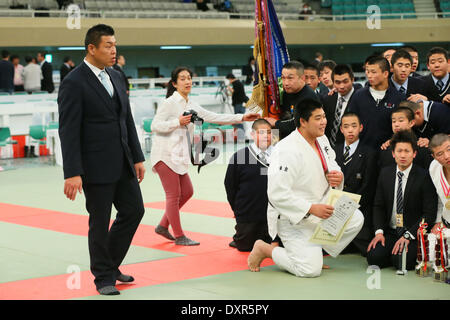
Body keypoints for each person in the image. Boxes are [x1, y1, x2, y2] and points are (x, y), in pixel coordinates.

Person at [58, 24, 146, 296]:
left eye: (115, 45)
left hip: (122, 160)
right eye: (108, 45)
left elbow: (126, 118)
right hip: (94, 166)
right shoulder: (74, 82)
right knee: (100, 221)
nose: (113, 50)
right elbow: (68, 130)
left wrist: (137, 156)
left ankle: (110, 264)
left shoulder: (116, 75)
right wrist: (72, 171)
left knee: (134, 211)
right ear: (91, 48)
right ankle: (103, 278)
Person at [247, 98, 364, 277]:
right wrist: (310, 208)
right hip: (294, 218)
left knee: (356, 217)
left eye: (324, 116)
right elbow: (276, 194)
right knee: (310, 270)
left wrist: (337, 174)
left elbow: (332, 163)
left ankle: (313, 249)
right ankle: (266, 249)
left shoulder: (322, 138)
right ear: (302, 121)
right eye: (318, 118)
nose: (324, 121)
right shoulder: (286, 150)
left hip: (321, 207)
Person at [150, 66, 259, 246]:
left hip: (179, 156)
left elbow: (214, 116)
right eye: (182, 78)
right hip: (164, 154)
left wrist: (242, 117)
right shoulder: (169, 103)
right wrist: (177, 122)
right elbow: (155, 125)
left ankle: (163, 225)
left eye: (189, 78)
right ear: (174, 84)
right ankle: (179, 236)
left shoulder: (191, 104)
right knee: (174, 195)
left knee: (187, 192)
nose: (187, 81)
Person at [366, 130, 437, 270]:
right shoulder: (385, 173)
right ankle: (391, 252)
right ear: (393, 153)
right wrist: (379, 232)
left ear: (414, 154)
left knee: (401, 262)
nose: (403, 155)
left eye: (407, 151)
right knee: (374, 258)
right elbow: (378, 206)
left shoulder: (424, 177)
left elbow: (429, 213)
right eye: (399, 151)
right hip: (391, 231)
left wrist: (408, 235)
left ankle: (398, 254)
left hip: (411, 232)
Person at [224, 119, 273, 251]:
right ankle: (241, 233)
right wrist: (238, 210)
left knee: (276, 244)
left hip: (274, 215)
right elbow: (230, 186)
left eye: (268, 132)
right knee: (245, 247)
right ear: (252, 134)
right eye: (261, 132)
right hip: (249, 213)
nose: (265, 136)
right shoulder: (239, 157)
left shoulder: (279, 155)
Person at [334, 112, 378, 256]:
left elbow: (368, 186)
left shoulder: (369, 152)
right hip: (336, 209)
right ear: (341, 129)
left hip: (360, 208)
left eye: (354, 126)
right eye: (346, 127)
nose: (350, 130)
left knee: (368, 253)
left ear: (361, 127)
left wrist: (350, 206)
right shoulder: (334, 151)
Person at [347, 55, 404, 149]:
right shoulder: (358, 96)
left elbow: (403, 129)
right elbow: (350, 123)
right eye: (367, 71)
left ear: (385, 74)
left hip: (389, 151)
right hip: (363, 152)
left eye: (373, 72)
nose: (369, 75)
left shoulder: (398, 98)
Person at [264, 61, 319, 140]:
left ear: (302, 78)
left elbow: (299, 124)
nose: (286, 83)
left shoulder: (309, 97)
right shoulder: (287, 92)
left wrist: (275, 123)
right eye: (283, 78)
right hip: (285, 140)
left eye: (290, 78)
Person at [427, 134, 450, 263]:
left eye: (449, 149)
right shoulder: (434, 167)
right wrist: (437, 220)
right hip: (446, 225)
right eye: (440, 154)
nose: (446, 156)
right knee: (429, 256)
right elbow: (440, 199)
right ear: (434, 157)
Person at [323, 64, 358, 148]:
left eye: (345, 82)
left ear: (352, 80)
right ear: (333, 82)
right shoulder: (328, 99)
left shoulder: (360, 99)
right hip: (329, 149)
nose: (341, 86)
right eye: (337, 82)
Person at [226, 73, 249, 142]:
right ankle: (242, 136)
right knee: (239, 120)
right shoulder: (238, 83)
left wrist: (228, 87)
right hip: (240, 103)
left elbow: (234, 91)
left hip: (238, 104)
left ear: (230, 79)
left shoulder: (236, 83)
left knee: (239, 120)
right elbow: (236, 93)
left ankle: (242, 137)